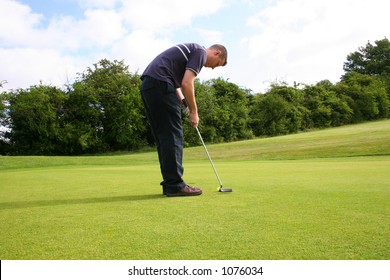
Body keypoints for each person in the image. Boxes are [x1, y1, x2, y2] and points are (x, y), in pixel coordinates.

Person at [140, 43, 228, 197]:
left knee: (164, 136)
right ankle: (175, 185)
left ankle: (170, 184)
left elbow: (176, 84)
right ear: (217, 53)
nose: (213, 68)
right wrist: (194, 112)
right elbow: (187, 83)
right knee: (173, 136)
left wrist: (184, 103)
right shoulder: (200, 52)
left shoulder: (191, 50)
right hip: (161, 84)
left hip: (150, 85)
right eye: (217, 65)